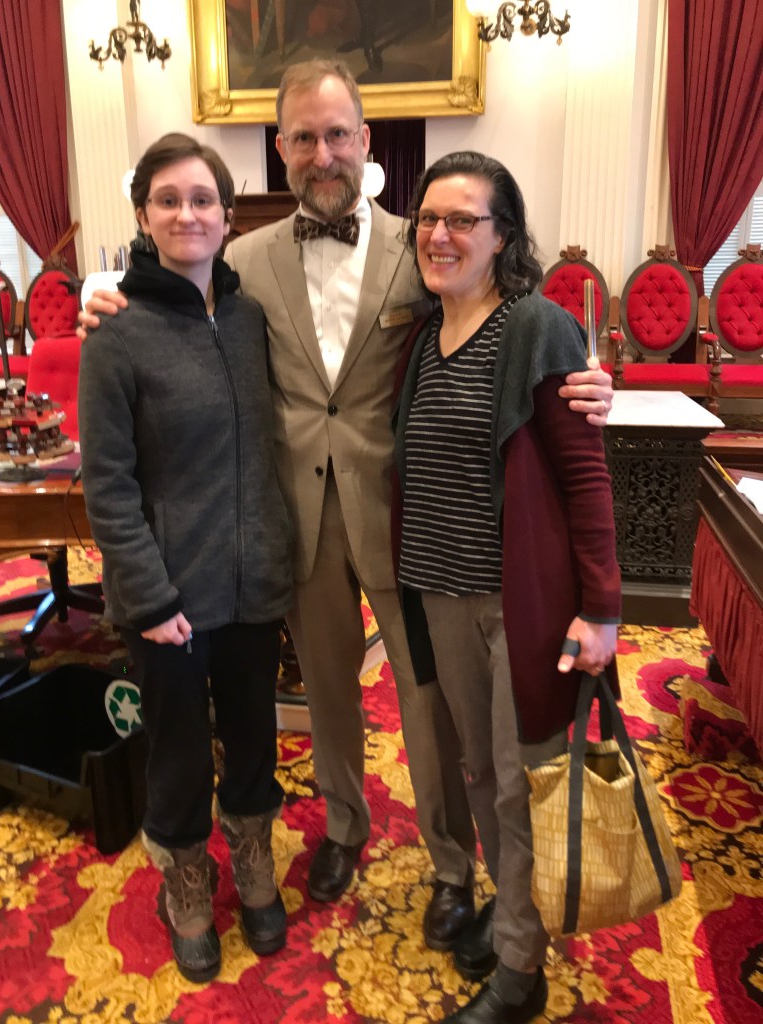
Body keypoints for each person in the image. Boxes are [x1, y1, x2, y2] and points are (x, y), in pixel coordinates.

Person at [78, 59, 615, 954]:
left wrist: (589, 377)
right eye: (303, 137)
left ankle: (450, 863)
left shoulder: (427, 241)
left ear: (365, 141)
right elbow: (174, 292)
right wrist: (102, 295)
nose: (322, 153)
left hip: (408, 516)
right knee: (326, 693)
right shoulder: (244, 260)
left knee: (427, 701)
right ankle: (342, 825)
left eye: (337, 135)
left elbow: (508, 313)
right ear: (280, 148)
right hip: (290, 520)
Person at [393, 151, 621, 1023]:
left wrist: (601, 608)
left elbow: (585, 476)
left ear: (502, 236)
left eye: (463, 220)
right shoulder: (422, 338)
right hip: (439, 596)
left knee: (524, 780)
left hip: (517, 605)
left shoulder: (537, 327)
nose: (440, 235)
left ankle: (521, 972)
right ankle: (513, 907)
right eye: (429, 219)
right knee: (483, 775)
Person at [77, 134, 293, 983]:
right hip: (165, 594)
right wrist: (149, 595)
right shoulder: (116, 332)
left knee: (253, 737)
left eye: (202, 199)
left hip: (254, 581)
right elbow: (109, 484)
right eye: (167, 200)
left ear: (228, 216)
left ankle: (254, 856)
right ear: (143, 215)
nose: (186, 214)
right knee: (176, 753)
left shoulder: (249, 319)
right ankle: (188, 883)